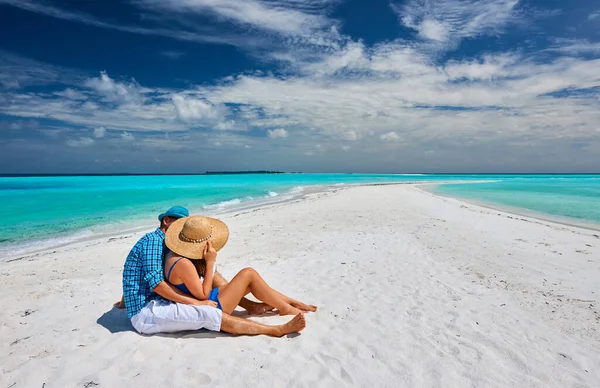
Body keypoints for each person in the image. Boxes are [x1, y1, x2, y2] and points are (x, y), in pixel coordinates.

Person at [120, 205, 306, 337]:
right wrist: (197, 300)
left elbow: (140, 271)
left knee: (238, 277)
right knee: (212, 314)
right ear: (166, 221)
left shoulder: (167, 246)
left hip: (158, 298)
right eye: (178, 224)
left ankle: (278, 305)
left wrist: (124, 299)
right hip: (146, 310)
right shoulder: (155, 242)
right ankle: (277, 329)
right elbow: (156, 283)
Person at [163, 215, 317, 316]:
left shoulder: (173, 254)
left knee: (251, 283)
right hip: (214, 307)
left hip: (212, 299)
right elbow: (202, 296)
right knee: (248, 273)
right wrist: (210, 264)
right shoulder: (183, 263)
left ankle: (288, 302)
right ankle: (286, 308)